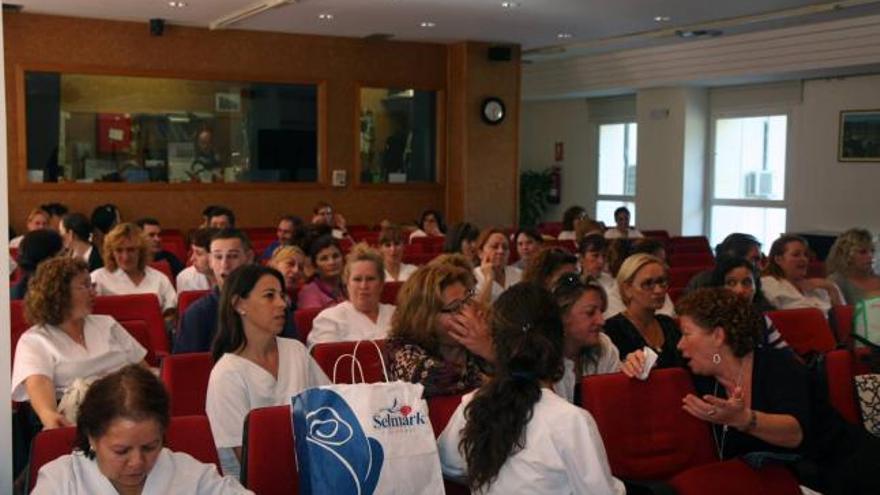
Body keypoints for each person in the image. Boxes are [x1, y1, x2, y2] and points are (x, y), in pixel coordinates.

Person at [437, 283, 625, 495]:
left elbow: (447, 464)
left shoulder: (473, 404)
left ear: (498, 341)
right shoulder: (571, 420)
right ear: (557, 341)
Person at [31, 365, 252, 494]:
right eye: (121, 451)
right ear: (92, 438)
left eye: (149, 447)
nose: (137, 462)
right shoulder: (62, 482)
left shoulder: (188, 474)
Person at [206, 264, 329, 478]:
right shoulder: (227, 374)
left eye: (282, 295)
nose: (282, 304)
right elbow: (251, 464)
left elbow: (330, 409)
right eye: (269, 296)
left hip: (311, 473)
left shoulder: (295, 351)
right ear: (239, 304)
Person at [12, 257, 148, 429]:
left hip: (130, 408)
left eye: (92, 285)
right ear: (58, 293)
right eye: (85, 285)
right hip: (78, 418)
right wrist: (48, 414)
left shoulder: (107, 324)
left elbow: (143, 370)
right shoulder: (34, 340)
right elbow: (38, 382)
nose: (94, 292)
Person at [175, 229, 296, 353]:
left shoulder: (275, 306)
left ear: (249, 257)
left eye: (233, 256)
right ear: (210, 261)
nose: (224, 264)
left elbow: (292, 354)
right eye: (218, 257)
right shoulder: (197, 314)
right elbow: (187, 367)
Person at [386, 259, 493, 397]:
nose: (469, 312)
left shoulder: (484, 335)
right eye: (455, 307)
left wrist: (490, 351)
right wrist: (490, 379)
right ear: (425, 317)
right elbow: (432, 377)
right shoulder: (399, 347)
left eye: (468, 300)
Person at [607, 253, 682, 375]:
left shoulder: (668, 324)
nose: (659, 290)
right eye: (648, 284)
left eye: (661, 282)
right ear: (627, 289)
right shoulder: (611, 330)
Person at [551, 273, 621, 404]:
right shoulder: (542, 360)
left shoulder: (604, 346)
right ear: (562, 316)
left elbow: (614, 404)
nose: (601, 321)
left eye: (601, 311)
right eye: (590, 313)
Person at [307, 244, 395, 347]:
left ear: (381, 283)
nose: (363, 286)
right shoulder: (329, 319)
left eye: (370, 279)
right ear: (347, 283)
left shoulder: (397, 316)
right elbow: (326, 360)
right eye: (357, 279)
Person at [90, 223, 177, 317]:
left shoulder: (160, 279)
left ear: (141, 251)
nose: (125, 257)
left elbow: (172, 314)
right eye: (119, 250)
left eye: (131, 250)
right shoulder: (98, 278)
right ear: (111, 253)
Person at [709, 257, 789, 350]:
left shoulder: (762, 320)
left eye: (747, 283)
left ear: (756, 287)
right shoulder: (706, 323)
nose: (740, 290)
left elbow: (785, 357)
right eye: (731, 283)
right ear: (718, 288)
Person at [761, 234, 844, 312]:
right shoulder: (769, 284)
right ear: (778, 260)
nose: (803, 259)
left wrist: (831, 288)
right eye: (796, 255)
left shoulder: (818, 286)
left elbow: (844, 319)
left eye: (806, 255)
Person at [686, 233, 763, 293]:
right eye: (755, 259)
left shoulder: (755, 283)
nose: (760, 267)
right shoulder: (702, 283)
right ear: (736, 258)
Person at [825, 228, 880, 303]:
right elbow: (835, 313)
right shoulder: (836, 281)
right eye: (862, 252)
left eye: (872, 251)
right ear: (846, 255)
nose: (870, 256)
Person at [11, 229, 65, 300]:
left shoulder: (12, 293)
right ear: (52, 258)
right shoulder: (61, 294)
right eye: (62, 254)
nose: (66, 259)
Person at [297, 234, 346, 310]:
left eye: (335, 256)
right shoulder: (308, 293)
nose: (331, 262)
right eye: (324, 259)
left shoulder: (349, 286)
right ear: (315, 266)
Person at [473, 228, 522, 303]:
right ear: (480, 253)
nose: (501, 251)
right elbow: (479, 309)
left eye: (505, 248)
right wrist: (489, 279)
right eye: (494, 247)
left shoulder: (519, 274)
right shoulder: (472, 277)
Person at [175, 228, 217, 293]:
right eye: (193, 252)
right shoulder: (185, 277)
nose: (192, 258)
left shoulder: (235, 279)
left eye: (199, 253)